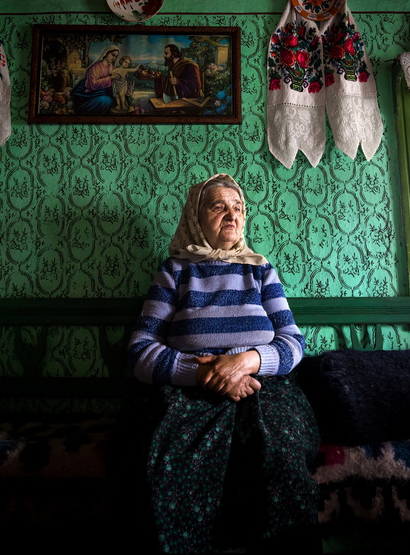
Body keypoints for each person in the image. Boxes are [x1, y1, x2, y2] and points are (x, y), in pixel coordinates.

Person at [122, 173, 320, 555]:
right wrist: (201, 373)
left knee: (278, 450)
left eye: (238, 208)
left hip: (262, 386)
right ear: (196, 217)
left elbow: (293, 342)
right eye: (219, 207)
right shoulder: (175, 271)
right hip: (188, 391)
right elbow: (140, 351)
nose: (232, 215)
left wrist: (247, 361)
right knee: (172, 458)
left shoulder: (260, 270)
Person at [70, 45, 119, 115]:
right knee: (106, 100)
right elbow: (93, 84)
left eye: (116, 56)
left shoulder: (112, 67)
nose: (114, 58)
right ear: (106, 53)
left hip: (105, 92)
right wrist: (110, 78)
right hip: (92, 93)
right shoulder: (96, 67)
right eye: (112, 55)